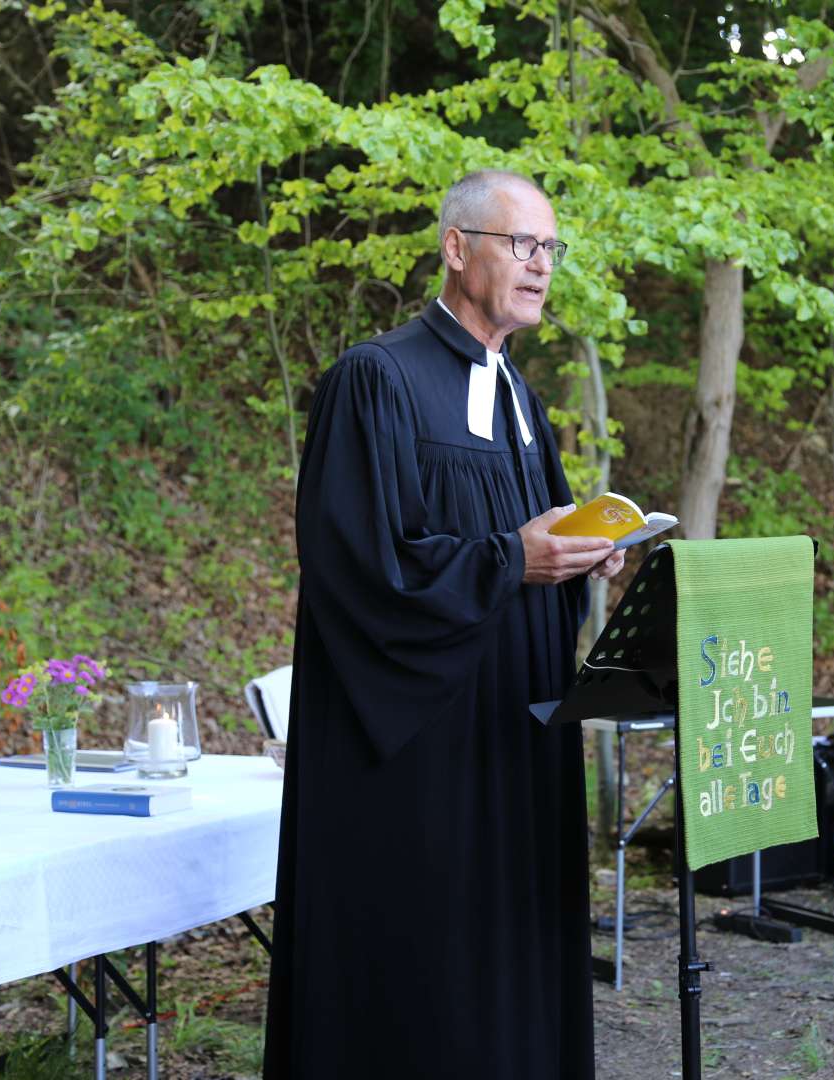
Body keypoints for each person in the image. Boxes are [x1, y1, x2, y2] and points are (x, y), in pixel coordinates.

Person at [264, 170, 623, 1078]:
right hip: (422, 759)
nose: (542, 266)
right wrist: (515, 560)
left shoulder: (520, 403)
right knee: (430, 986)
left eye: (552, 249)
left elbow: (532, 552)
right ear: (457, 248)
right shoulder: (374, 381)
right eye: (522, 245)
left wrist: (584, 554)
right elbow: (362, 572)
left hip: (520, 741)